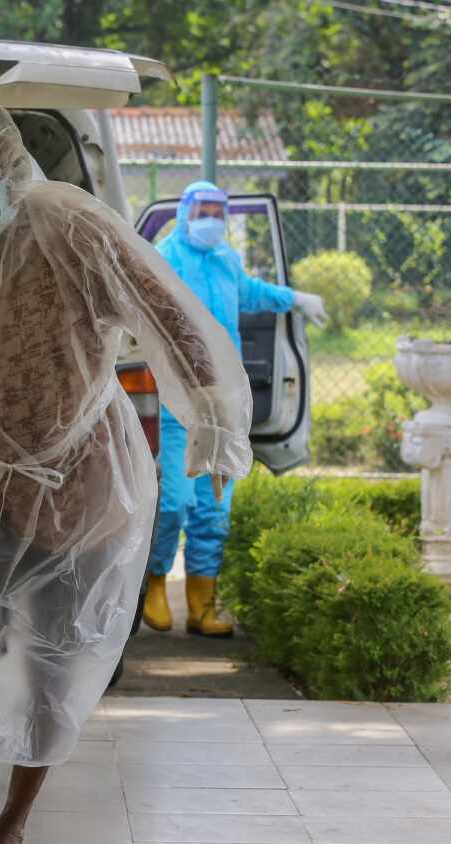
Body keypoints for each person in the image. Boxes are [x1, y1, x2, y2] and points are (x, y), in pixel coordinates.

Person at [0, 99, 253, 844]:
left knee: (59, 662)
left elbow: (168, 318)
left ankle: (11, 827)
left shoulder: (73, 229)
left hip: (82, 480)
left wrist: (216, 421)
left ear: (6, 168)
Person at [143, 181, 327, 637]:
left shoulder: (228, 259)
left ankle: (203, 607)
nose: (211, 219)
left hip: (223, 402)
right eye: (202, 209)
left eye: (218, 211)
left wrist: (294, 300)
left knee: (214, 508)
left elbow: (250, 293)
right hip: (179, 402)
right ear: (185, 211)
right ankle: (154, 584)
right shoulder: (163, 259)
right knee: (172, 504)